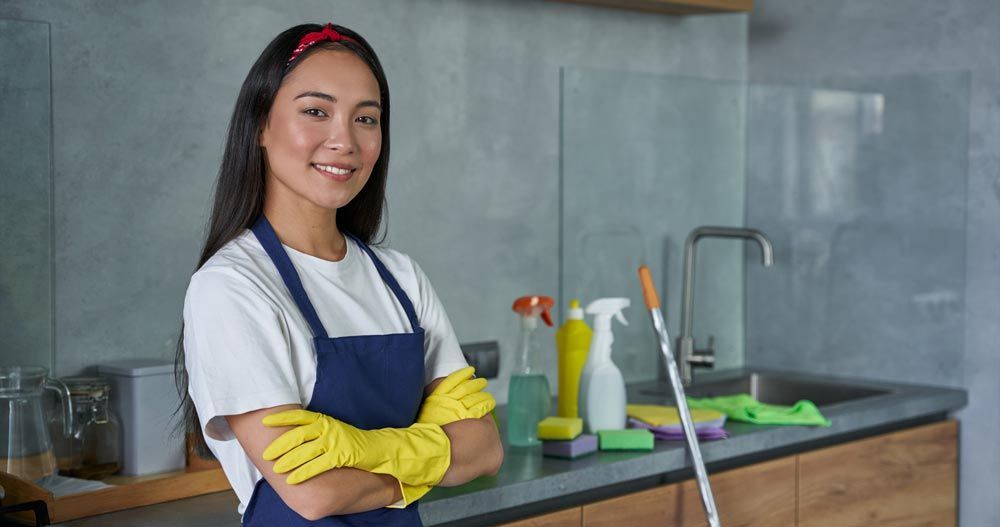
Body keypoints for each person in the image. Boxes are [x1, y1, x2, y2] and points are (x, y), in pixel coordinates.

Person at [175, 22, 503, 526]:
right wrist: (431, 453)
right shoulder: (232, 286)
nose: (343, 140)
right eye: (315, 111)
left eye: (366, 119)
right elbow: (314, 494)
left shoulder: (401, 278)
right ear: (260, 125)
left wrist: (357, 448)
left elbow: (483, 450)